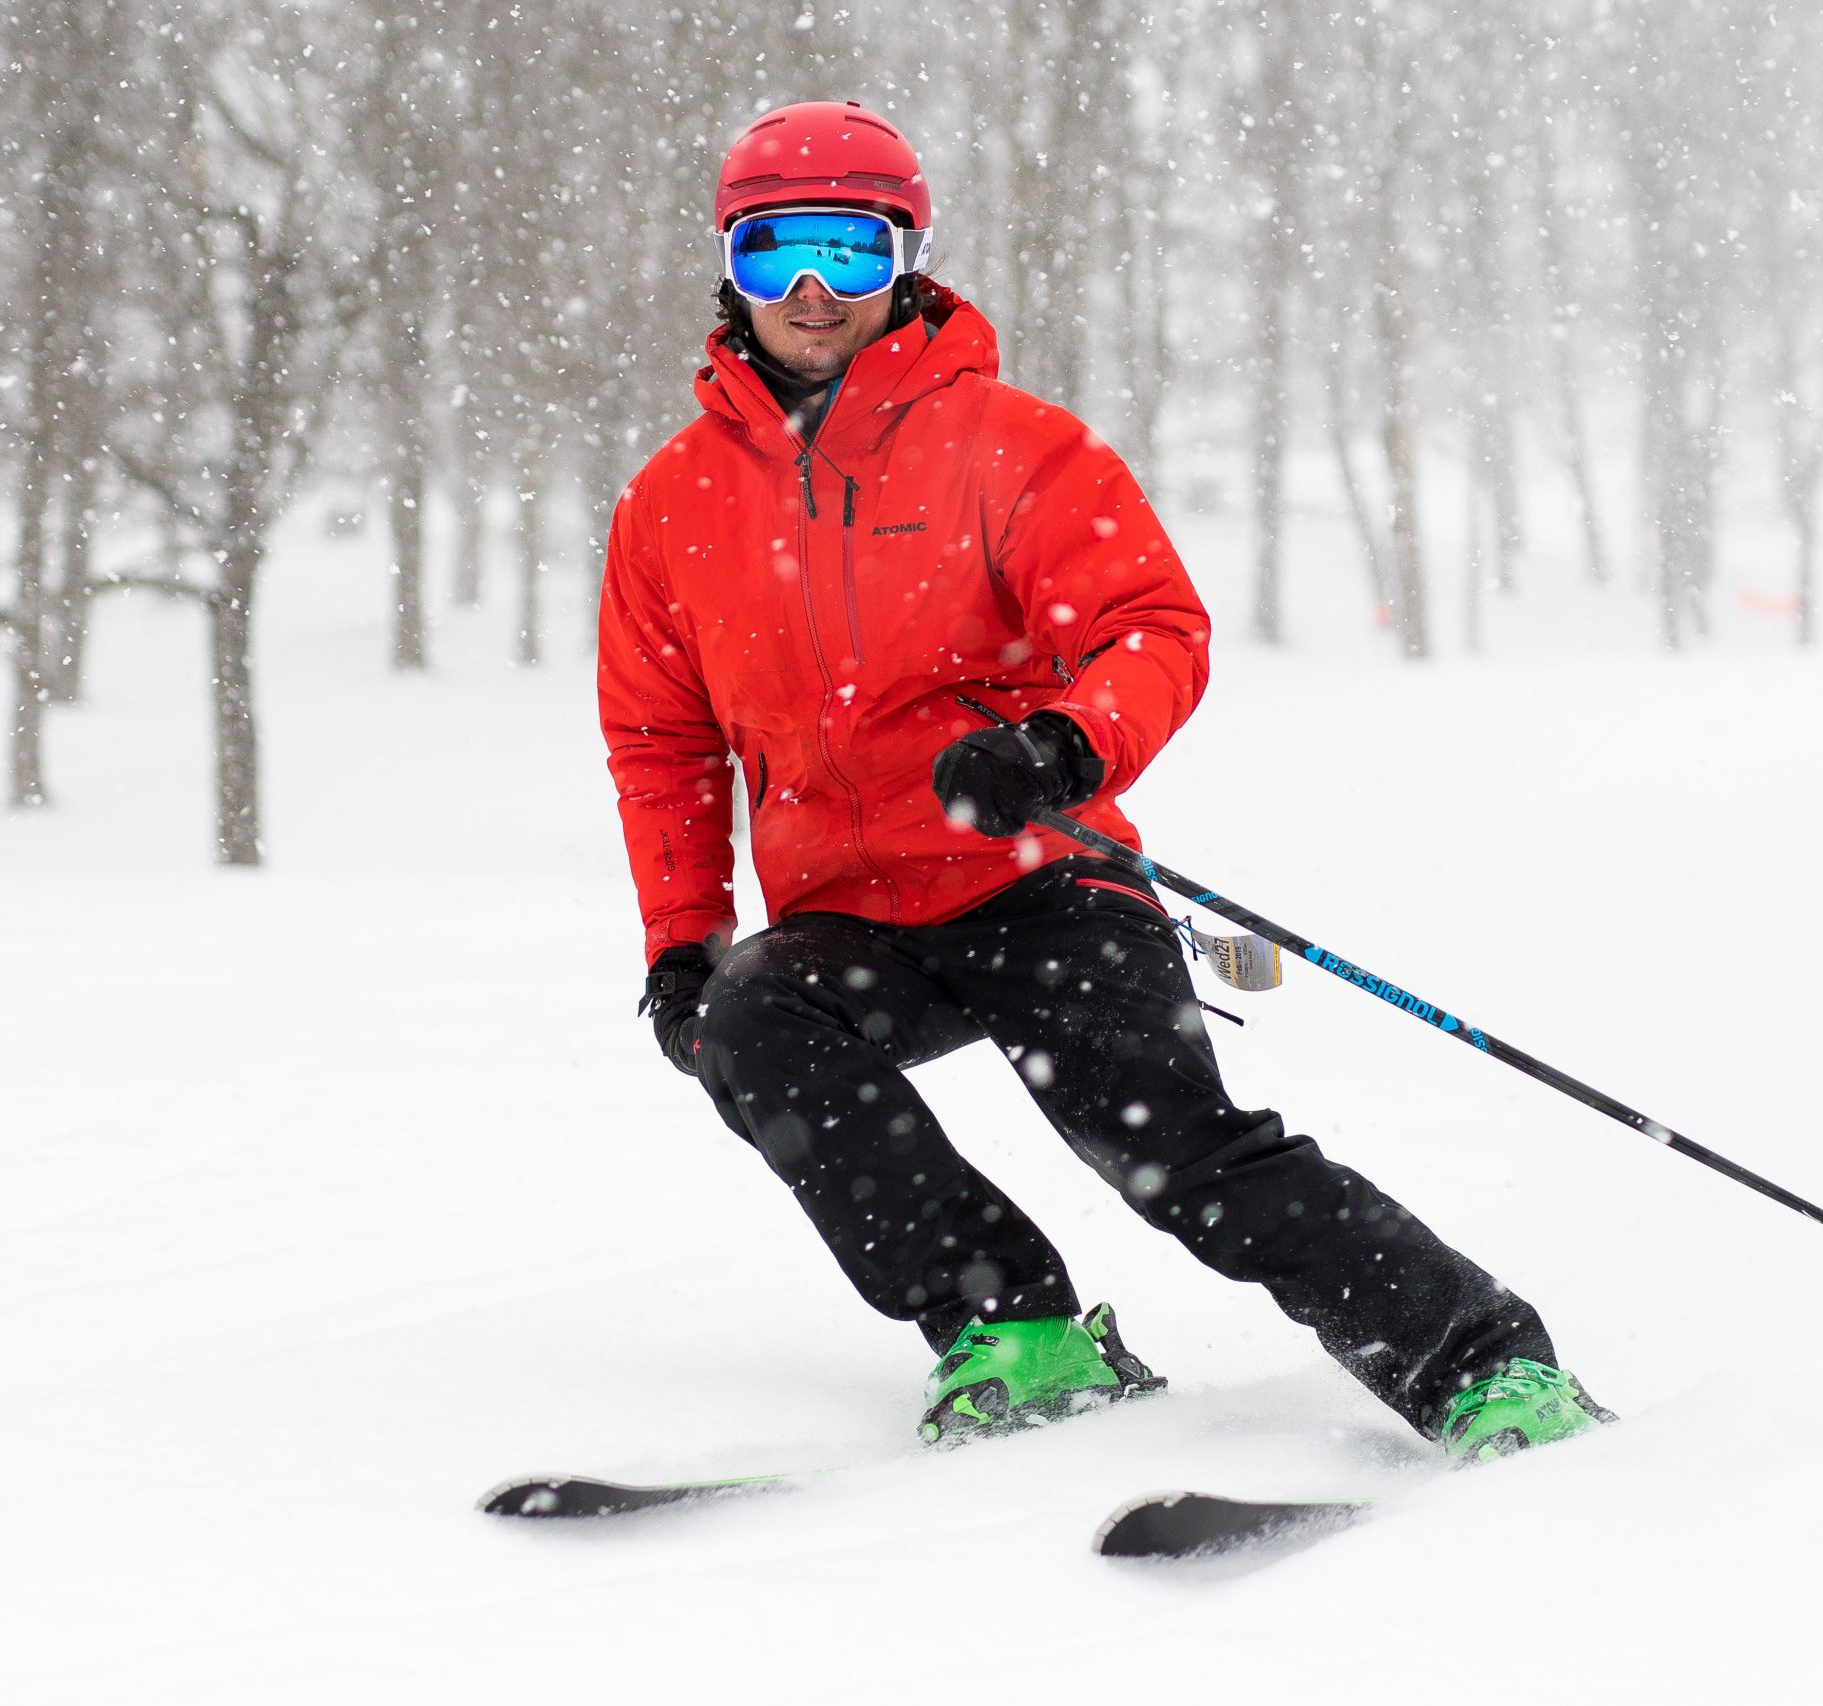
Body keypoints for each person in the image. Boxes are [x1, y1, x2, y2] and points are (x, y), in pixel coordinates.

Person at [597, 100, 1606, 1459]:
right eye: (779, 253)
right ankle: (1012, 1325)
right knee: (751, 1020)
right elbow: (662, 745)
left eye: (851, 246)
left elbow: (1153, 631)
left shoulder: (1012, 448)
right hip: (851, 919)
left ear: (910, 253)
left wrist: (1061, 745)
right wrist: (681, 945)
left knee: (1178, 1158)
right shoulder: (672, 507)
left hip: (1039, 885)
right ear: (731, 265)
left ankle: (1484, 1363)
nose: (817, 290)